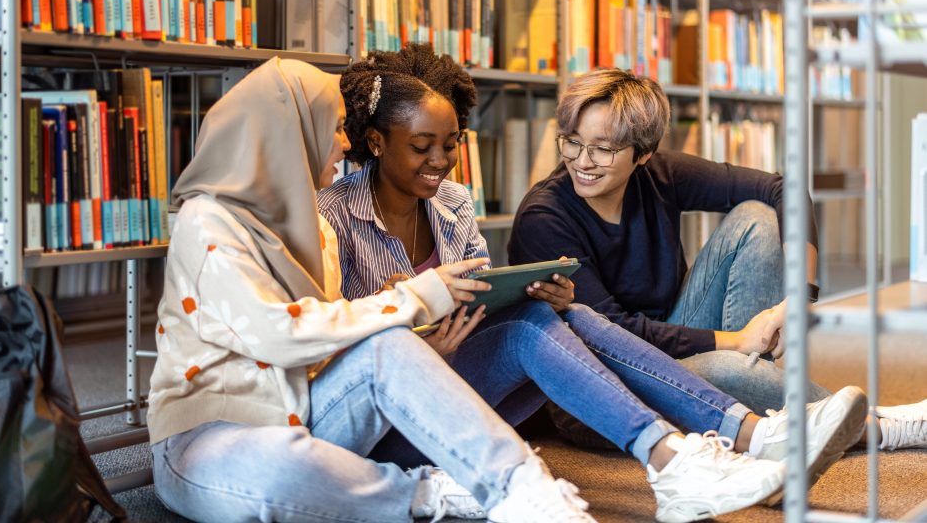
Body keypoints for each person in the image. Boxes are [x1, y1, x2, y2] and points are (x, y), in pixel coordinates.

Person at [317, 44, 865, 522]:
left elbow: (486, 303)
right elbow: (327, 351)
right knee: (712, 363)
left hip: (472, 381)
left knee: (569, 312)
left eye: (451, 142)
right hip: (393, 407)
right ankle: (792, 430)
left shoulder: (455, 207)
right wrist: (405, 331)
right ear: (377, 141)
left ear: (641, 155)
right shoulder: (334, 217)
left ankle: (724, 442)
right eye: (421, 147)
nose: (441, 162)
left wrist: (799, 299)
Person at [148, 56, 600, 523]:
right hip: (212, 434)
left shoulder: (314, 226)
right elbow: (276, 334)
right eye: (336, 127)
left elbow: (331, 343)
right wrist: (413, 298)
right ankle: (429, 492)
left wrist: (410, 331)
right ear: (290, 132)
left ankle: (521, 485)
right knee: (278, 472)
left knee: (390, 344)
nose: (346, 144)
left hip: (306, 414)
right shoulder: (206, 220)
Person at [508, 67, 927, 452]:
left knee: (758, 218)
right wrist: (733, 341)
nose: (582, 162)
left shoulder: (659, 176)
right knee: (728, 371)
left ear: (642, 153)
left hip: (674, 340)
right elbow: (612, 332)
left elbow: (786, 191)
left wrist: (801, 297)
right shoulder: (544, 218)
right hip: (602, 386)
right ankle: (878, 427)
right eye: (573, 142)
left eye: (603, 149)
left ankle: (754, 405)